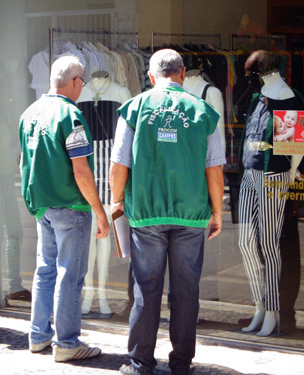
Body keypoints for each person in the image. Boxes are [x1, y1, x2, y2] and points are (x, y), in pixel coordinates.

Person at [110, 49, 225, 375]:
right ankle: (181, 364)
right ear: (183, 73)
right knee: (186, 292)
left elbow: (119, 163)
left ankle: (140, 364)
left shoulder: (134, 109)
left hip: (146, 215)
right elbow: (214, 169)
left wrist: (116, 201)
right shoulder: (202, 112)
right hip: (191, 216)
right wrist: (216, 213)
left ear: (150, 76)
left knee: (146, 290)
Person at [18, 55, 110, 362]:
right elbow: (81, 171)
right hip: (70, 205)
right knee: (70, 275)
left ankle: (38, 336)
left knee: (45, 271)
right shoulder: (71, 116)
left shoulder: (30, 113)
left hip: (42, 205)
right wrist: (99, 210)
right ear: (74, 81)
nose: (82, 88)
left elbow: (24, 163)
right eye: (82, 82)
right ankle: (67, 343)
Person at [237, 51, 304, 337]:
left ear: (264, 71)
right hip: (249, 173)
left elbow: (297, 150)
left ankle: (273, 310)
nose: (247, 79)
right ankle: (259, 305)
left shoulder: (289, 98)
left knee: (269, 244)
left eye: (250, 73)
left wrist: (290, 179)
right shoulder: (257, 97)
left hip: (274, 175)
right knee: (244, 242)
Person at [77, 70, 131, 316]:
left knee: (105, 239)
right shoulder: (81, 93)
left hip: (111, 168)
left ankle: (102, 295)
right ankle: (88, 294)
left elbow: (130, 135)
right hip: (88, 168)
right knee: (89, 240)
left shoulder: (121, 92)